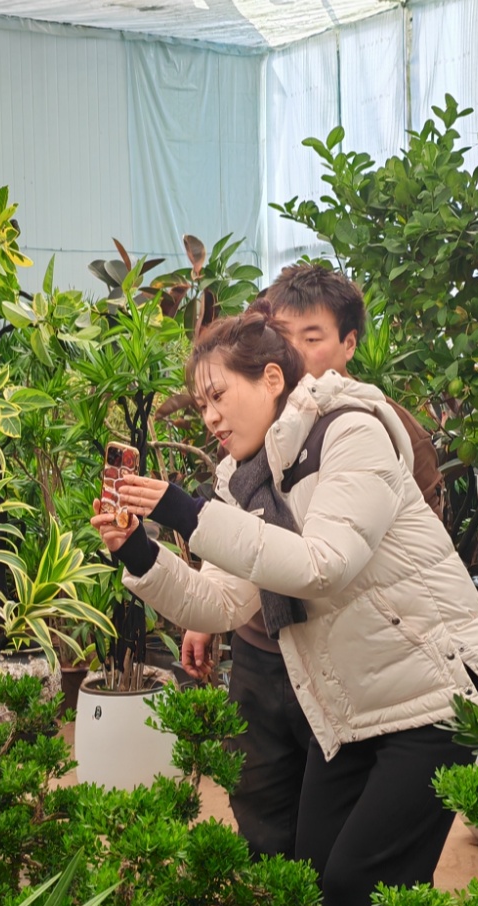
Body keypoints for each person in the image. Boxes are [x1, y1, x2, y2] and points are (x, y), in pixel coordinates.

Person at [91, 300, 478, 906]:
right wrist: (138, 552)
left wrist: (186, 509)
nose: (210, 415)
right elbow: (222, 602)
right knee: (305, 887)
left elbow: (322, 562)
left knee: (353, 889)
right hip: (349, 710)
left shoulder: (351, 431)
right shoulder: (243, 479)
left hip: (438, 697)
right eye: (201, 402)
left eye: (220, 394)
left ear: (273, 377)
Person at [178, 263, 443, 862]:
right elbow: (233, 529)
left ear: (349, 344)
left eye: (311, 336)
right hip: (261, 649)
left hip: (343, 652)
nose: (292, 349)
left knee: (338, 842)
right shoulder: (249, 438)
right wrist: (202, 611)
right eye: (279, 332)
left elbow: (404, 558)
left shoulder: (374, 428)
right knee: (262, 805)